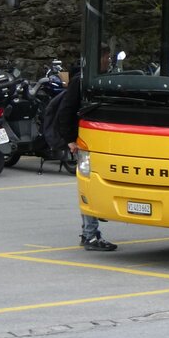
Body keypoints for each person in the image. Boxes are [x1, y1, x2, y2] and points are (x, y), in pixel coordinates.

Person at [56, 53, 117, 252]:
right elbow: (66, 111)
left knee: (94, 185)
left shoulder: (104, 78)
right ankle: (90, 235)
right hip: (86, 141)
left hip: (98, 140)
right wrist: (70, 140)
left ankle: (89, 233)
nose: (108, 61)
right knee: (89, 186)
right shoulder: (81, 82)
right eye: (105, 57)